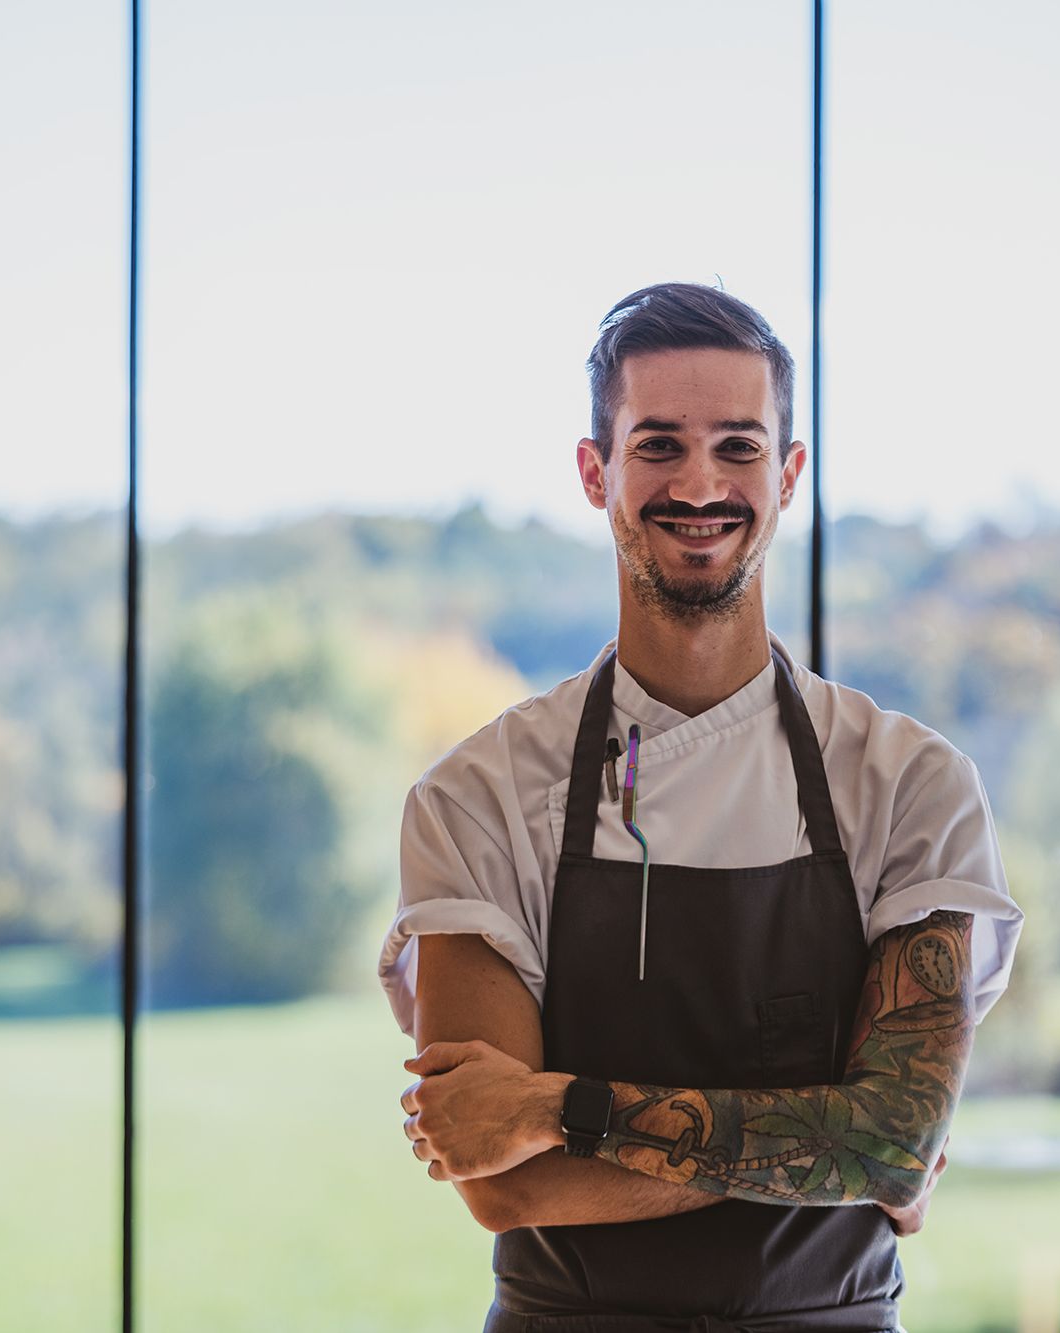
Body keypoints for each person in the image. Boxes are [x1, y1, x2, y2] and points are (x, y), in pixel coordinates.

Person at [379, 282, 1025, 1332]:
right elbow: (499, 1183)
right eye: (657, 444)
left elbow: (893, 1137)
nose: (698, 483)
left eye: (736, 445)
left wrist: (559, 1108)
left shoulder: (908, 782)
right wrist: (836, 1145)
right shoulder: (477, 796)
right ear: (595, 472)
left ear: (788, 473)